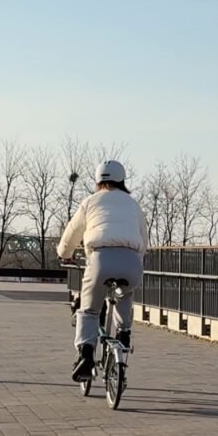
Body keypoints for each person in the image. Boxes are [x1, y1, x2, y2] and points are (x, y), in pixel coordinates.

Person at [57, 160, 149, 382]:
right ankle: (124, 334)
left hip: (101, 260)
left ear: (98, 181)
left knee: (89, 310)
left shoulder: (90, 202)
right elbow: (144, 240)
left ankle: (86, 354)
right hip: (132, 262)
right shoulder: (133, 204)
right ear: (122, 180)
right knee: (125, 294)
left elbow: (71, 235)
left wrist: (64, 253)